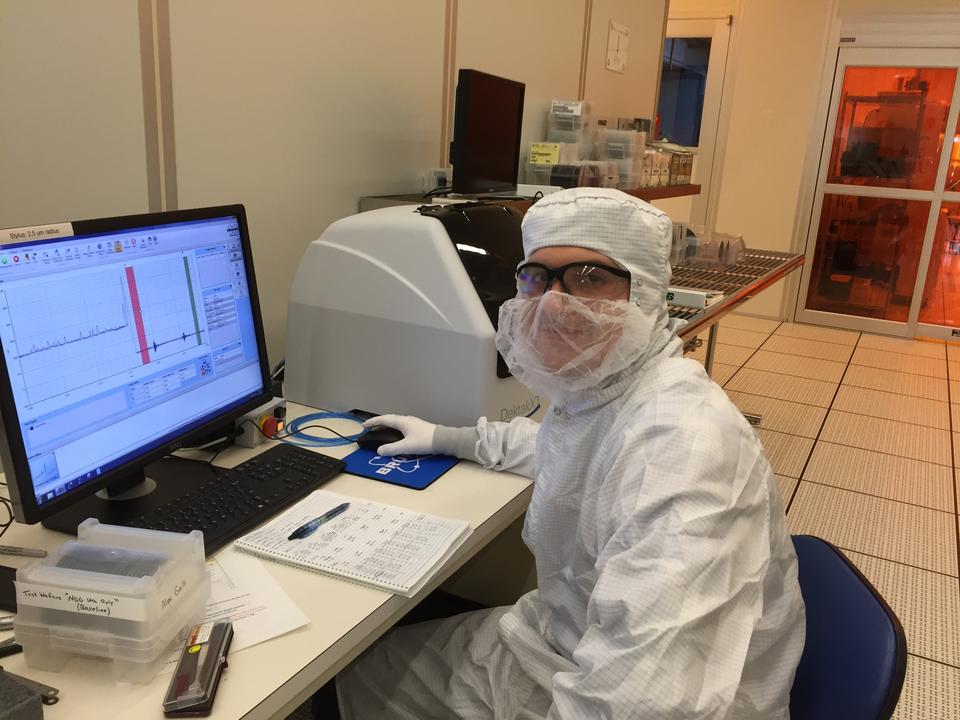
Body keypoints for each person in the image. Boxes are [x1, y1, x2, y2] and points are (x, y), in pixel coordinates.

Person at [332, 187, 805, 719]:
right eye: (538, 277)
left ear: (646, 294)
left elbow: (645, 703)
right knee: (360, 673)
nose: (554, 303)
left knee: (351, 679)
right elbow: (573, 451)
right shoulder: (604, 392)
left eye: (590, 278)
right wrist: (447, 438)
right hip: (563, 638)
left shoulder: (682, 445)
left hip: (642, 690)